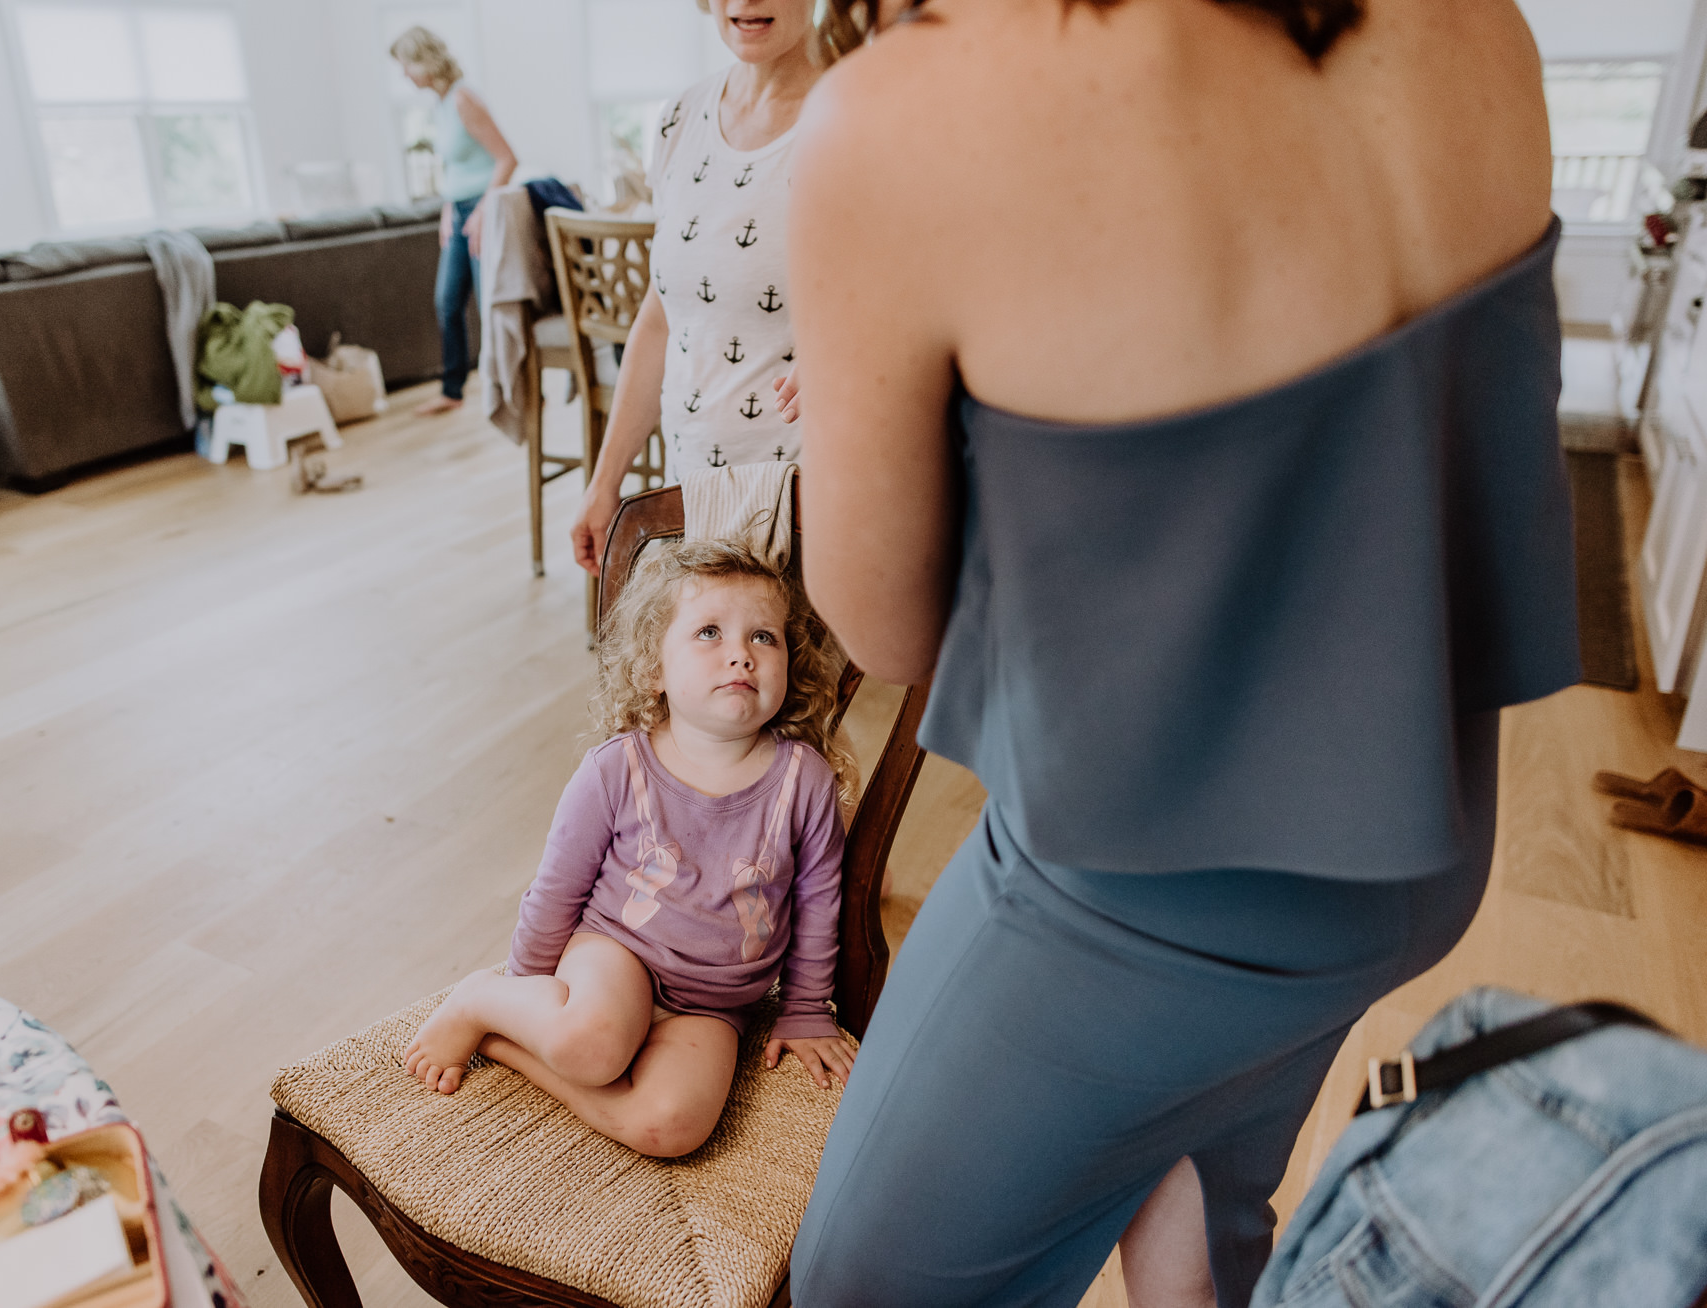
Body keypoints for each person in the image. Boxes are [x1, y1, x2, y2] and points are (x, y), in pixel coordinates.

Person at [784, 1, 1578, 1306]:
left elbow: (885, 626)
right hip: (1416, 842)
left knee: (853, 1285)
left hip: (1138, 896)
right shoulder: (1471, 23)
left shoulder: (904, 119)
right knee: (1208, 1208)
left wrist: (866, 410)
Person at [402, 540, 858, 1157]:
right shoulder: (617, 769)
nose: (741, 656)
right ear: (653, 670)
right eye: (709, 633)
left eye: (763, 638)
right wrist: (530, 985)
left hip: (715, 1004)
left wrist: (805, 1008)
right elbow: (558, 887)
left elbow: (819, 900)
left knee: (671, 1128)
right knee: (590, 1047)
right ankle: (483, 998)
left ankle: (504, 1044)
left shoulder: (804, 781)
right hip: (618, 956)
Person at [568, 0, 863, 576]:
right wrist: (606, 481)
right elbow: (660, 319)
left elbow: (911, 300)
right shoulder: (680, 117)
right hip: (694, 495)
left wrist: (847, 347)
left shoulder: (857, 114)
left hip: (813, 502)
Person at [391, 26, 517, 417]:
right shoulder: (441, 103)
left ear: (425, 60)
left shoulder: (464, 99)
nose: (404, 75)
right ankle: (452, 390)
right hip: (459, 210)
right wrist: (449, 211)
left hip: (483, 211)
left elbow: (507, 159)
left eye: (406, 64)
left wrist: (481, 212)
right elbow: (455, 166)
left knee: (488, 306)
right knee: (447, 301)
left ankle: (511, 389)